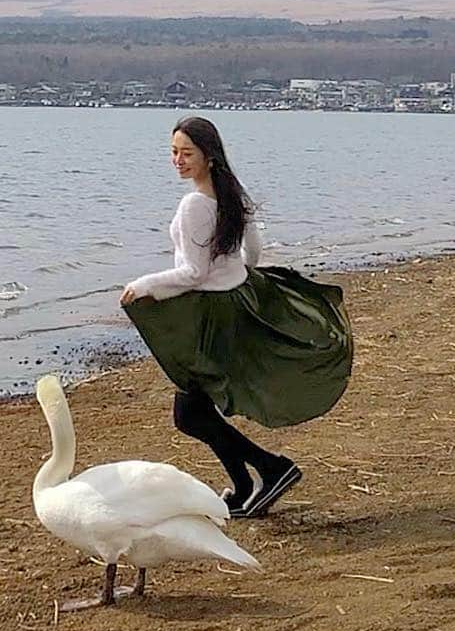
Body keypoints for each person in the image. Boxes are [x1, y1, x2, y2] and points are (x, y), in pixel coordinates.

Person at [121, 116, 353, 519]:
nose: (177, 160)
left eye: (186, 153)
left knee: (189, 414)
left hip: (211, 317)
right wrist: (237, 274)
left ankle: (272, 468)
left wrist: (144, 286)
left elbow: (193, 273)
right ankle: (247, 483)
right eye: (173, 152)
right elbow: (254, 252)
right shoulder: (230, 191)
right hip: (234, 304)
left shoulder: (195, 203)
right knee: (195, 412)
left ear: (209, 156)